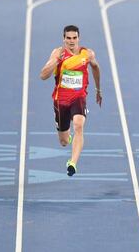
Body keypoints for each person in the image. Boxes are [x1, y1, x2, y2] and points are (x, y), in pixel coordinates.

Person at [40, 25, 102, 176]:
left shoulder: (87, 54)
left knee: (79, 126)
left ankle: (72, 162)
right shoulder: (57, 53)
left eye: (74, 38)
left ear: (78, 38)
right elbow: (43, 75)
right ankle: (64, 134)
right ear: (64, 39)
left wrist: (98, 90)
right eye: (68, 38)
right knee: (63, 141)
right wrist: (56, 61)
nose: (72, 41)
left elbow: (95, 67)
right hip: (60, 100)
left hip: (78, 97)